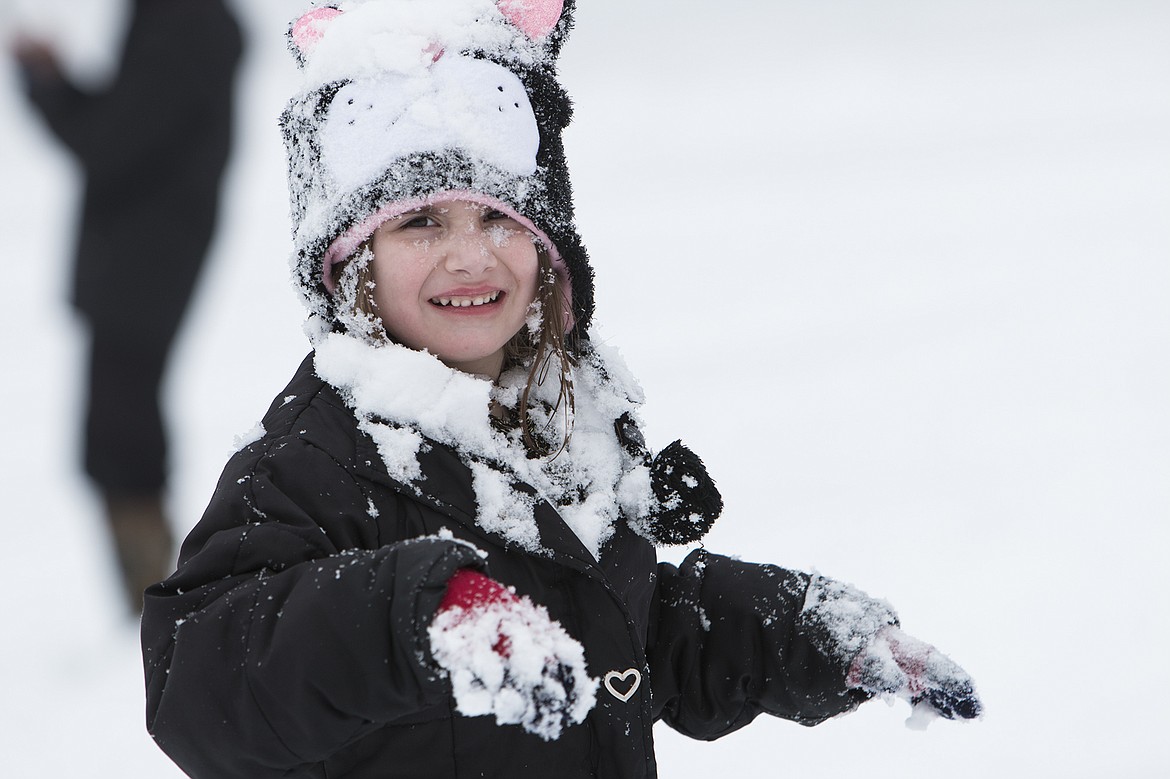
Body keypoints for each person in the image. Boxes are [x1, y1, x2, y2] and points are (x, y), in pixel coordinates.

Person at [140, 1, 981, 776]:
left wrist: (796, 632)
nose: (470, 257)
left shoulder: (560, 422)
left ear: (549, 248)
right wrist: (410, 617)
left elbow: (620, 634)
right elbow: (199, 680)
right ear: (350, 262)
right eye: (421, 222)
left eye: (500, 217)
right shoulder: (310, 461)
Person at [12, 0, 242, 613]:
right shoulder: (179, 20)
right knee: (116, 432)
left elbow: (107, 141)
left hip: (145, 265)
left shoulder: (185, 23)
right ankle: (151, 597)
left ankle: (152, 600)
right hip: (143, 259)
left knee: (120, 435)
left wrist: (45, 82)